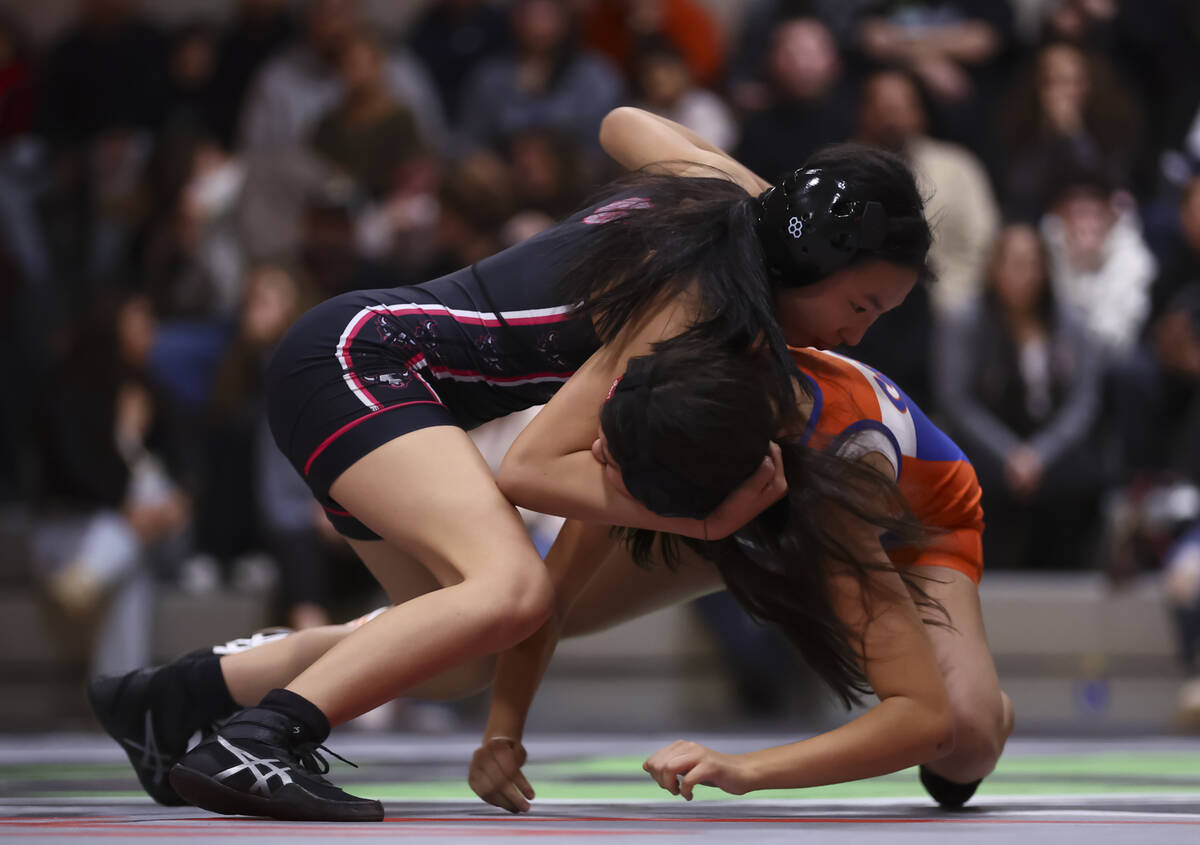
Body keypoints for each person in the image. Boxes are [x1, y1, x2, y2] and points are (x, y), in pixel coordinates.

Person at [88, 105, 933, 821]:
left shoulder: (720, 202)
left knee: (454, 655)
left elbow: (621, 124)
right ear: (812, 259)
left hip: (375, 372)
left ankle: (176, 699)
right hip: (368, 364)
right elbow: (530, 471)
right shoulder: (698, 298)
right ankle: (262, 739)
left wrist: (760, 196)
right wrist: (698, 521)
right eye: (859, 305)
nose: (857, 335)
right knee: (512, 589)